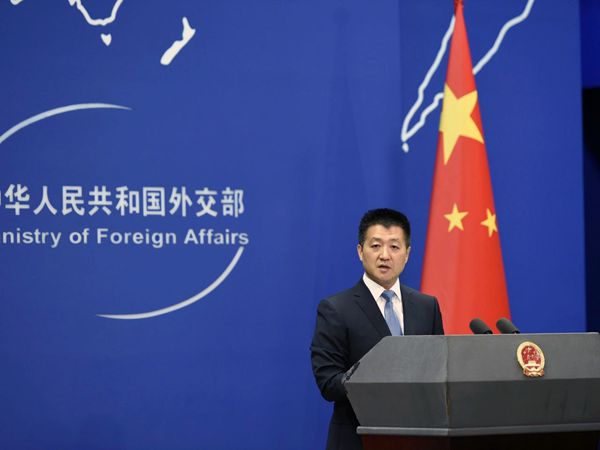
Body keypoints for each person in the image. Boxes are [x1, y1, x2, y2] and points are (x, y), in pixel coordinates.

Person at [310, 208, 444, 450]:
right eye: (375, 246)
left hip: (418, 437)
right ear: (360, 251)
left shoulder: (427, 307)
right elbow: (328, 382)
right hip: (359, 439)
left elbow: (438, 371)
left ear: (407, 254)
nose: (385, 255)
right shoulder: (336, 309)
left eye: (394, 247)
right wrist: (383, 379)